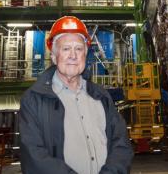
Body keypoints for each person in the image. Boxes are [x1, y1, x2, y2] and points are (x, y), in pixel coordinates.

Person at [18, 16, 133, 174]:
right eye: (66, 49)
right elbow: (34, 158)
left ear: (85, 55)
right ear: (53, 56)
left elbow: (121, 144)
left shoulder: (102, 97)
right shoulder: (33, 101)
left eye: (79, 49)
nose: (73, 55)